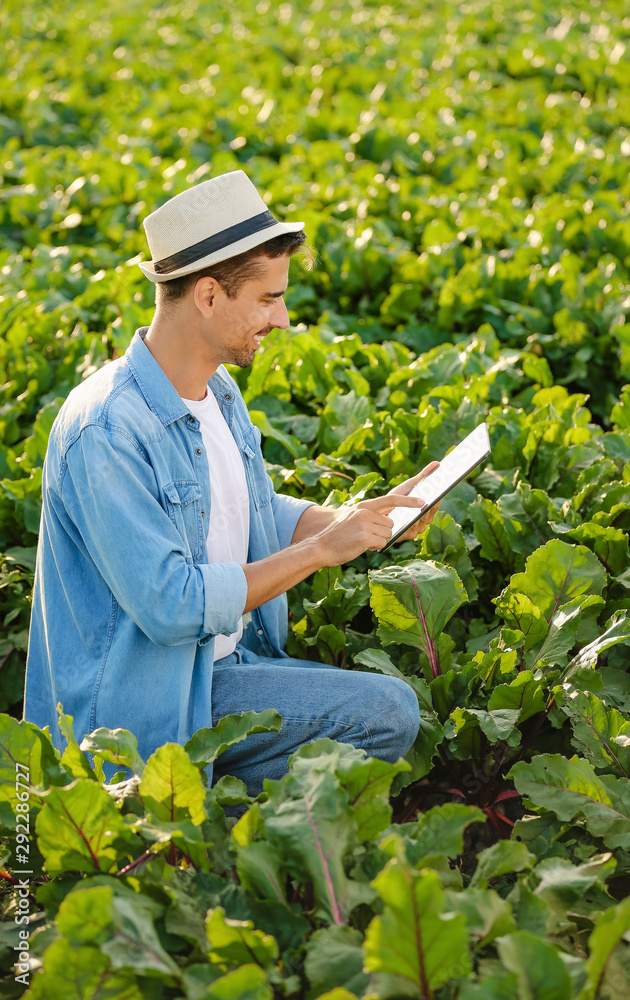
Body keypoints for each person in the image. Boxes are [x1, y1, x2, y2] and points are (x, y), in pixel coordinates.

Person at [23, 170, 438, 794]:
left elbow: (252, 511)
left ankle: (201, 826)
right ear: (210, 295)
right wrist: (322, 551)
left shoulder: (217, 391)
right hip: (140, 716)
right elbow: (172, 607)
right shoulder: (106, 428)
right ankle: (172, 831)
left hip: (225, 667)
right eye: (269, 299)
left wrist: (365, 521)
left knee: (386, 711)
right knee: (388, 713)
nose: (285, 319)